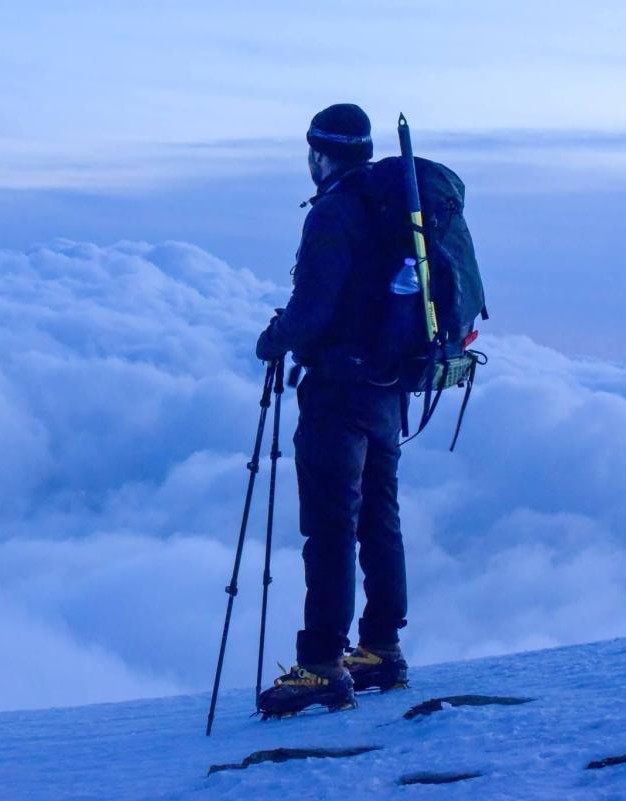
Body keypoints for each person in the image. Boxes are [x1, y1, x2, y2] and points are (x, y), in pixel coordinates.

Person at [254, 103, 409, 717]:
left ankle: (321, 663)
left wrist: (275, 338)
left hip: (338, 393)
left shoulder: (333, 212)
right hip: (387, 387)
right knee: (379, 518)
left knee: (330, 527)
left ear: (320, 153)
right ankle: (381, 649)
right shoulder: (386, 209)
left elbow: (313, 308)